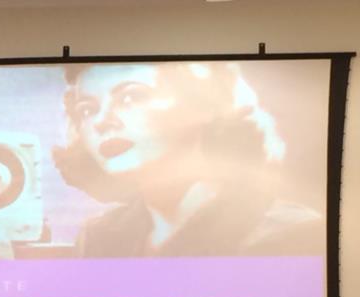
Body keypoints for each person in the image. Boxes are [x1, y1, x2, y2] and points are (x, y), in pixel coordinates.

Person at [54, 61, 322, 258]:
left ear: (203, 105)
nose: (101, 122)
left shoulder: (289, 232)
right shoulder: (99, 236)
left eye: (130, 96)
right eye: (87, 110)